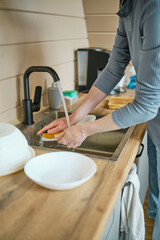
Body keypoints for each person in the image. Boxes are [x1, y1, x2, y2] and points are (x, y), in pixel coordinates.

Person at [37, 0, 160, 239]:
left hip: (153, 113)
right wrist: (73, 119)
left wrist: (84, 131)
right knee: (155, 202)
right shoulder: (128, 6)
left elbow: (145, 105)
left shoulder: (154, 8)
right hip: (156, 125)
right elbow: (114, 67)